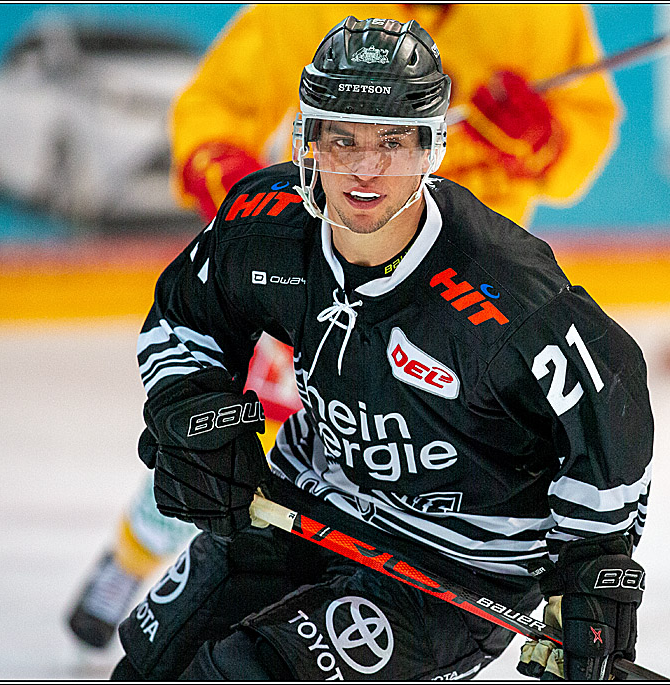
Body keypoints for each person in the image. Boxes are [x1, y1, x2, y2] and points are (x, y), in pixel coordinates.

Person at [66, 2, 623, 652]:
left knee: (428, 466)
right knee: (236, 438)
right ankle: (134, 555)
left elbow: (586, 131)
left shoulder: (542, 15)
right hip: (325, 277)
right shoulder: (316, 11)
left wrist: (542, 140)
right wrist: (226, 173)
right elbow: (219, 102)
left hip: (463, 305)